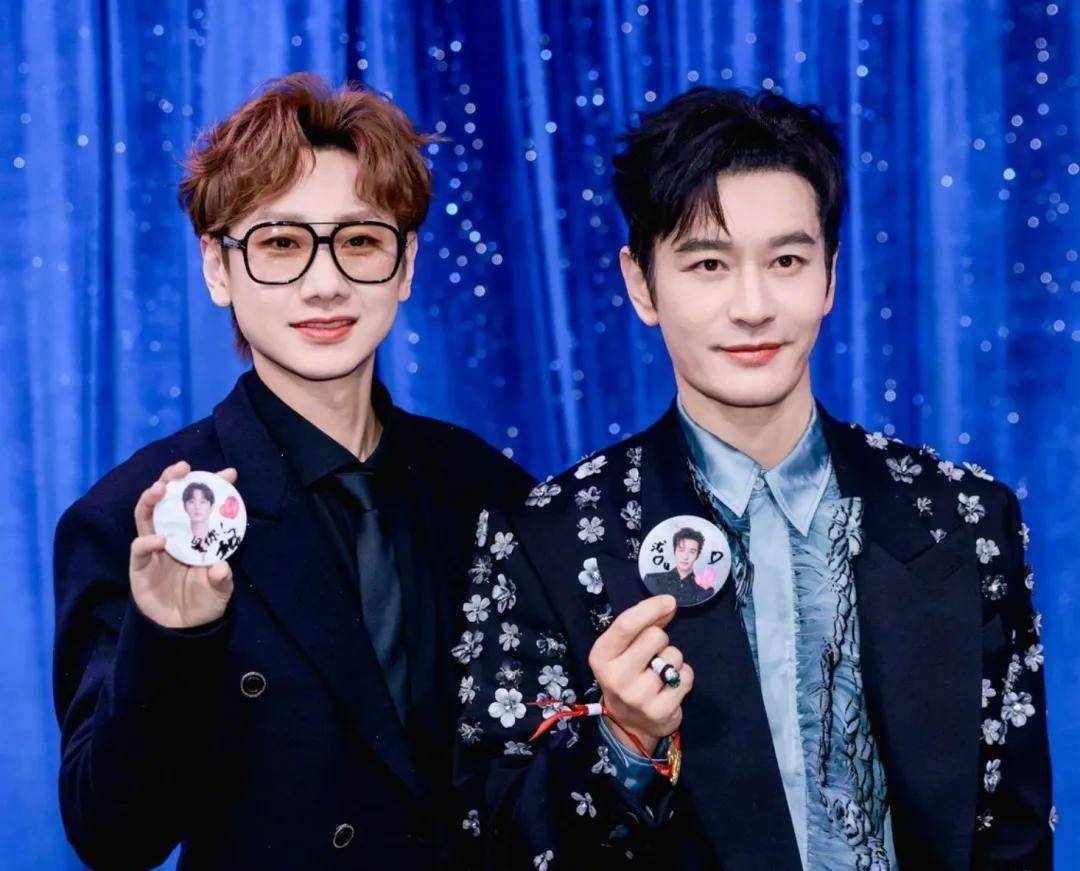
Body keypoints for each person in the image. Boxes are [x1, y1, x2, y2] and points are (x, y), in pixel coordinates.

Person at [452, 88, 1053, 869]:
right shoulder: (546, 539)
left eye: (787, 261)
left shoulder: (965, 516)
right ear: (641, 283)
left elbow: (1014, 833)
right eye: (708, 263)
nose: (753, 305)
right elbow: (497, 837)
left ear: (830, 275)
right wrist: (624, 743)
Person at [52, 73, 533, 870]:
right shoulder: (134, 517)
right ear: (218, 268)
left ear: (405, 263)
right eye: (280, 243)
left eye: (360, 241)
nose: (324, 282)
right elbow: (114, 836)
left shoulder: (489, 491)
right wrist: (170, 636)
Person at [182, 481, 215, 553]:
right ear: (185, 507)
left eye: (203, 502)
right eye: (191, 501)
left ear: (211, 507)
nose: (197, 507)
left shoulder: (221, 541)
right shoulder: (178, 543)